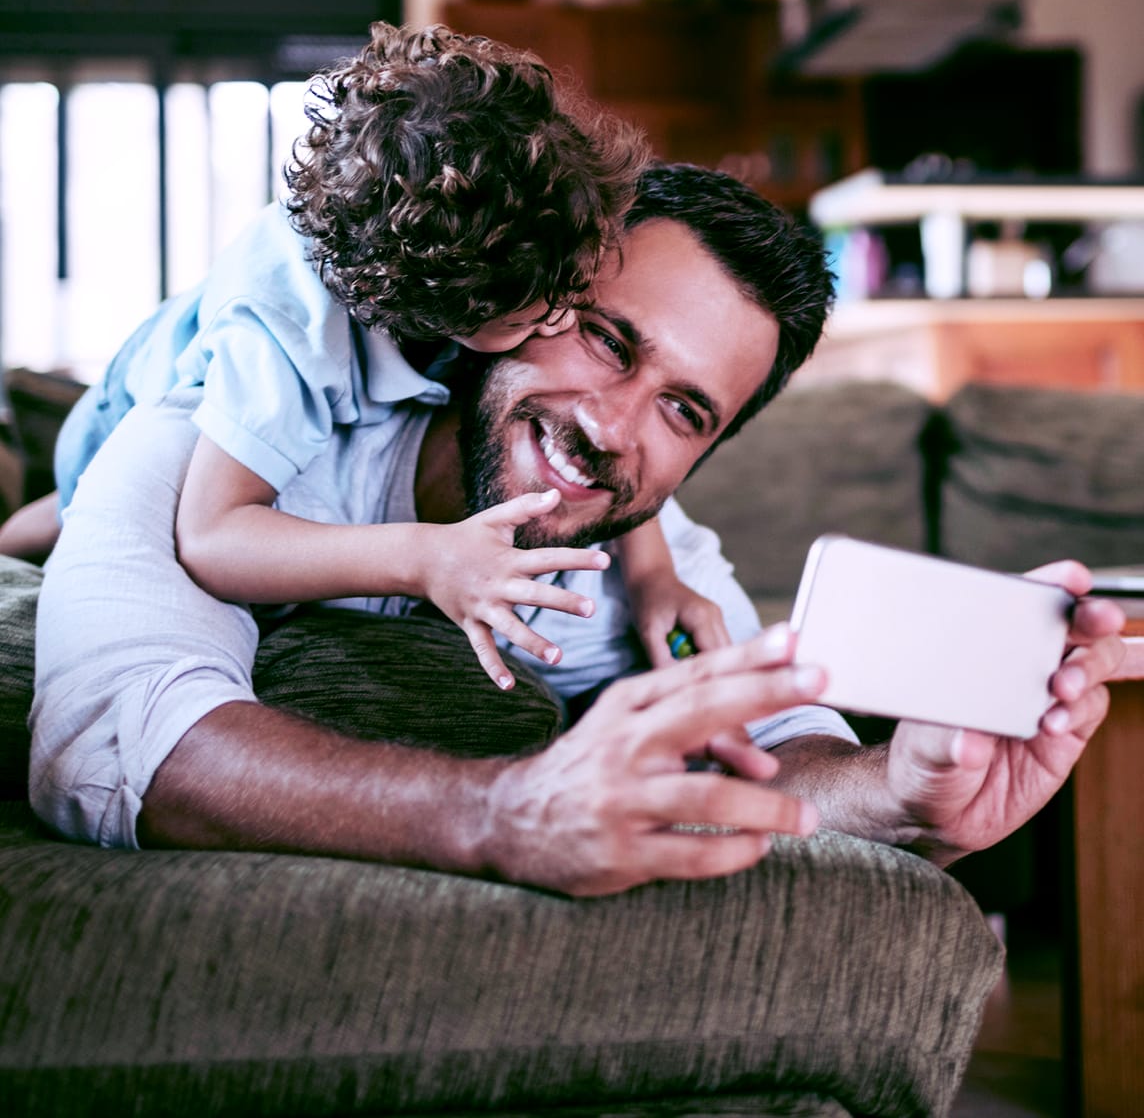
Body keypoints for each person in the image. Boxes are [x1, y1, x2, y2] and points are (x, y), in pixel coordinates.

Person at [29, 163, 1124, 897]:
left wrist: (904, 791)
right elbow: (113, 737)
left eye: (684, 410)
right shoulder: (230, 424)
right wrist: (507, 812)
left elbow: (783, 747)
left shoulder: (657, 564)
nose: (612, 427)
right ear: (526, 294)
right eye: (608, 339)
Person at [0, 21, 730, 686]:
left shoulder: (490, 238)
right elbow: (212, 535)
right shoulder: (288, 344)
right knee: (72, 510)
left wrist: (652, 574)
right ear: (446, 318)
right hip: (122, 417)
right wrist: (424, 558)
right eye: (544, 314)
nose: (566, 321)